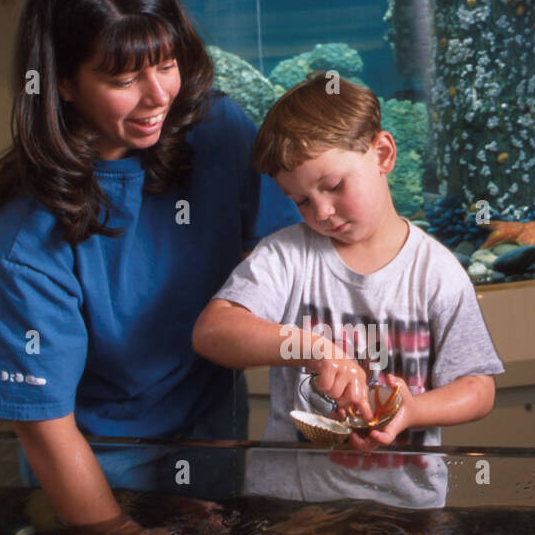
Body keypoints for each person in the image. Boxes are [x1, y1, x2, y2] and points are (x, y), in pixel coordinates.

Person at [0, 0, 300, 535]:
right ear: (63, 82)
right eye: (122, 80)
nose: (157, 97)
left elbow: (288, 257)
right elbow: (42, 424)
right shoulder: (28, 231)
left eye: (167, 65)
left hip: (212, 426)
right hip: (99, 460)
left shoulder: (219, 128)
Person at [191, 74, 504, 508]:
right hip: (289, 504)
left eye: (334, 186)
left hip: (406, 507)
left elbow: (477, 387)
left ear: (383, 154)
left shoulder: (437, 272)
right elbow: (213, 332)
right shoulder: (285, 257)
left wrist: (412, 411)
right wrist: (312, 349)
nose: (321, 211)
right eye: (299, 200)